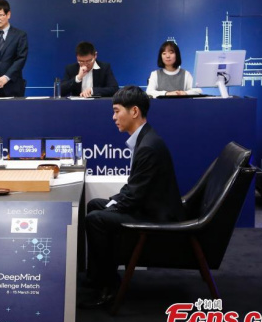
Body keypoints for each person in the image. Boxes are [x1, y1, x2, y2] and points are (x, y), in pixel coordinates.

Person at [79, 86, 184, 308]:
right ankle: (97, 278)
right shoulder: (145, 138)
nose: (113, 117)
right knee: (94, 204)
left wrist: (111, 208)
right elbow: (134, 188)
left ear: (134, 111)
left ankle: (110, 286)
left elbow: (134, 196)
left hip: (156, 217)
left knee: (96, 218)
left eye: (117, 111)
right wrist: (110, 203)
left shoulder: (148, 146)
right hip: (147, 206)